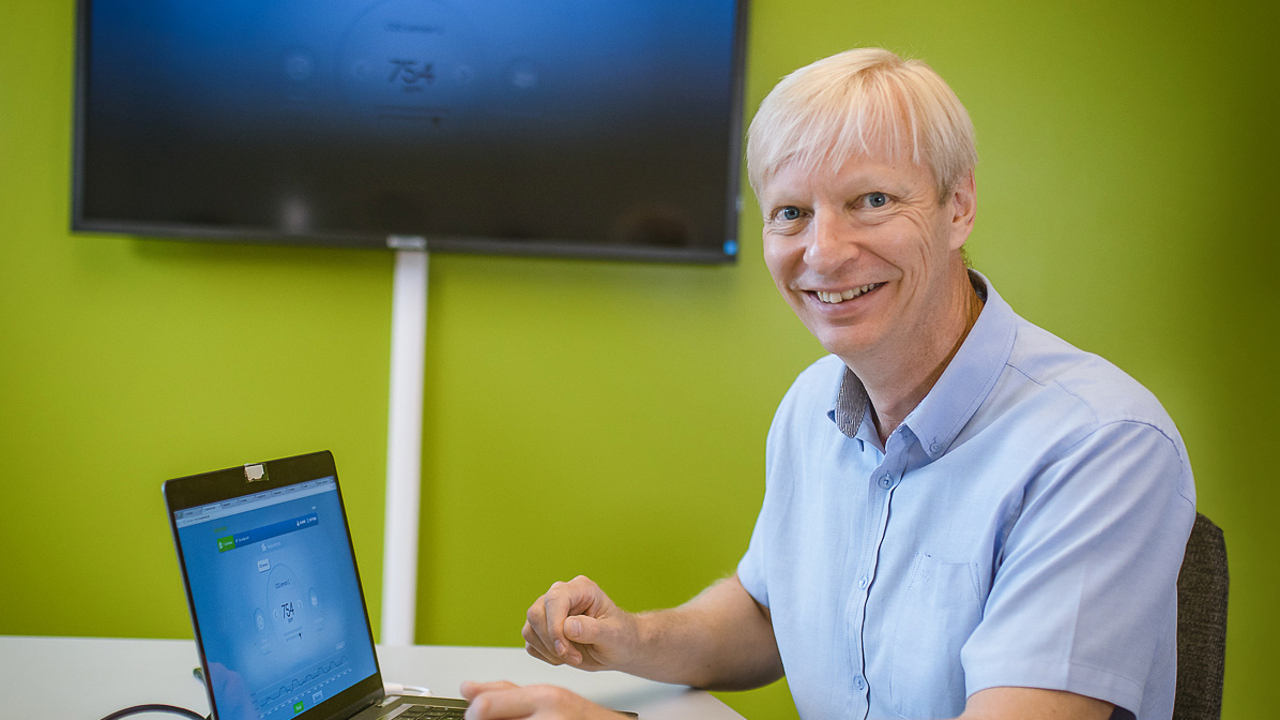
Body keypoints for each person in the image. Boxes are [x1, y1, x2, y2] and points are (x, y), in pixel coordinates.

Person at [461, 48, 1196, 720]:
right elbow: (767, 615)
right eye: (791, 212)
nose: (825, 252)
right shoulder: (814, 403)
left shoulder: (1101, 443)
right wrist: (629, 637)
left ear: (958, 205)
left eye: (872, 201)